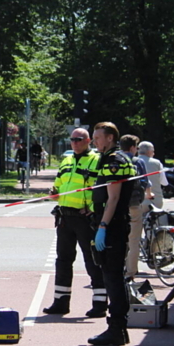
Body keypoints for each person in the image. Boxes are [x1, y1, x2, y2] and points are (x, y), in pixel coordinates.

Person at [44, 127, 106, 316]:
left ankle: (100, 304)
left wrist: (93, 210)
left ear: (88, 141)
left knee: (92, 260)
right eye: (72, 139)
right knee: (63, 260)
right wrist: (54, 193)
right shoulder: (67, 160)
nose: (75, 143)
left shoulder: (97, 160)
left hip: (85, 218)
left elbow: (103, 190)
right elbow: (60, 185)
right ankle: (61, 302)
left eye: (79, 139)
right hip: (65, 216)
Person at [88, 122, 135, 346]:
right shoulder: (112, 159)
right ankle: (118, 328)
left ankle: (116, 328)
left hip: (113, 226)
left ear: (109, 138)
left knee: (113, 277)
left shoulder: (114, 161)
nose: (94, 141)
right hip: (113, 224)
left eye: (97, 137)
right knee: (113, 275)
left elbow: (113, 198)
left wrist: (103, 226)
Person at [120, 134, 152, 280]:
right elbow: (144, 182)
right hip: (133, 205)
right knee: (134, 240)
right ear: (133, 147)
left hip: (117, 205)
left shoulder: (116, 160)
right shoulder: (137, 162)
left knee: (118, 238)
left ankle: (117, 269)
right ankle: (131, 273)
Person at [137, 141, 168, 210]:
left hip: (137, 200)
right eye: (153, 151)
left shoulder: (132, 162)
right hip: (155, 200)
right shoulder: (157, 163)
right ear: (148, 152)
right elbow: (164, 182)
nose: (154, 153)